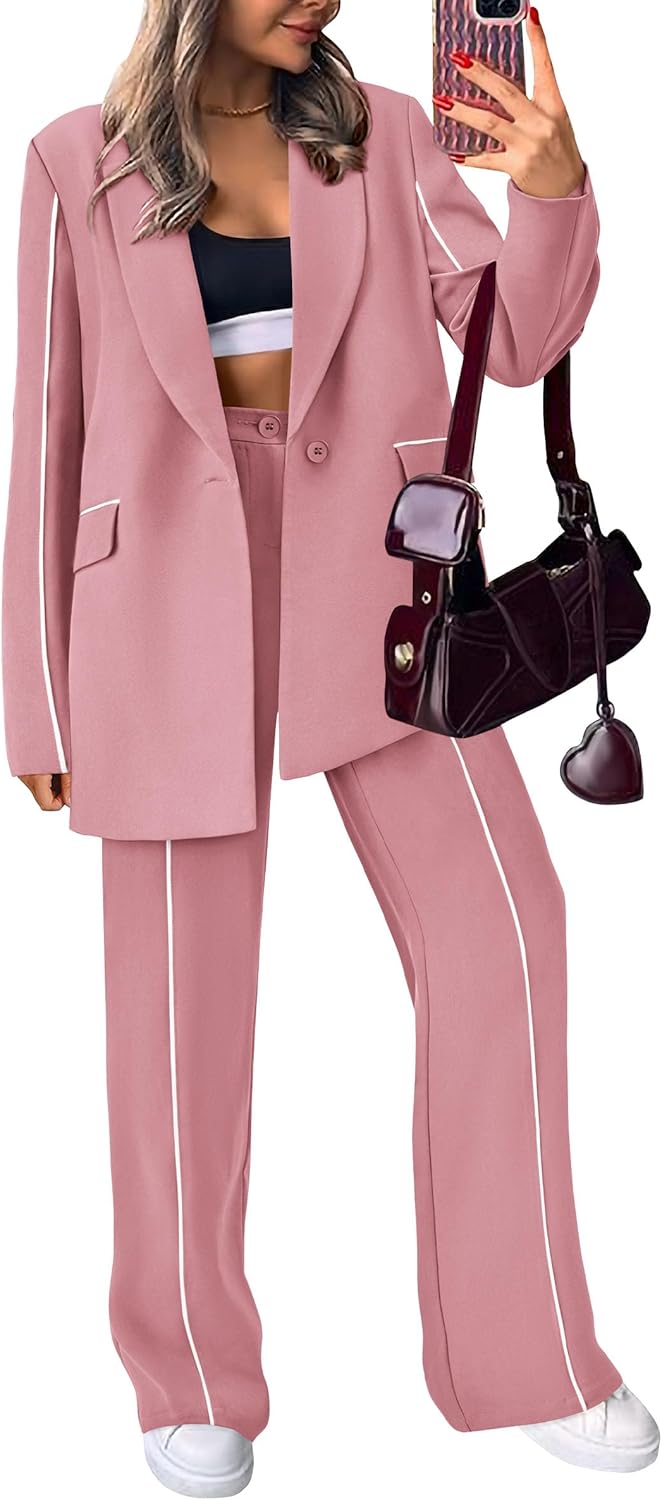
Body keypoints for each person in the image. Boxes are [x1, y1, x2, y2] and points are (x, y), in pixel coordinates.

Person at [2, 1, 658, 1494]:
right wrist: (35, 694)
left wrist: (551, 186)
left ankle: (527, 1354)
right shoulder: (69, 161)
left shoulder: (390, 137)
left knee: (508, 931)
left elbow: (517, 344)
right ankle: (189, 1378)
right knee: (178, 1011)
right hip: (156, 601)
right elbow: (46, 428)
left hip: (380, 594)